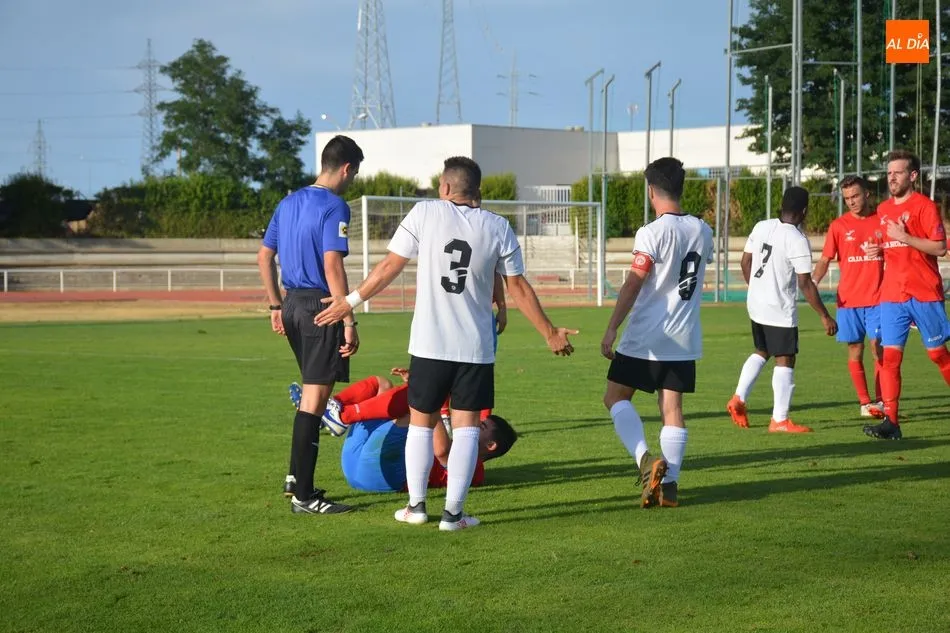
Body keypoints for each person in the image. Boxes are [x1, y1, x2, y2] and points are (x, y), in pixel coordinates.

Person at [317, 156, 576, 531]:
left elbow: (389, 266)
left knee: (421, 426)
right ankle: (453, 514)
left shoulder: (424, 213)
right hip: (475, 348)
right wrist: (550, 333)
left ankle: (416, 507)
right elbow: (517, 286)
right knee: (467, 427)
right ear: (480, 193)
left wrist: (350, 301)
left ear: (444, 188)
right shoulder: (498, 226)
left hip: (429, 344)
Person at [257, 134, 364, 515]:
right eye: (354, 174)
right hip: (321, 305)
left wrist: (275, 306)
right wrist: (347, 316)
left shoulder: (287, 202)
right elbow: (333, 265)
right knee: (316, 402)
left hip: (290, 303)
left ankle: (293, 477)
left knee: (309, 394)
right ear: (348, 168)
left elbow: (264, 256)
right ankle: (305, 497)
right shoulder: (335, 206)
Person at [601, 157, 714, 509]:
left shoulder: (652, 232)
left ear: (651, 190)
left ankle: (645, 461)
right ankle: (672, 485)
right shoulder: (703, 230)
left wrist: (612, 327)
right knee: (672, 408)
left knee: (615, 397)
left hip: (646, 335)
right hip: (684, 336)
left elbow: (635, 282)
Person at [284, 369, 516, 494]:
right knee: (381, 385)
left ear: (491, 446)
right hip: (357, 464)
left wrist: (428, 395)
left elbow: (442, 450)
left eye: (482, 426)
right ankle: (329, 409)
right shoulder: (465, 445)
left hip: (380, 475)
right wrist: (421, 392)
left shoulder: (475, 467)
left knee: (416, 410)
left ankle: (339, 415)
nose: (474, 424)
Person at [726, 186, 837, 433]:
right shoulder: (797, 240)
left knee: (761, 350)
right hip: (778, 308)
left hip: (756, 304)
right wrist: (824, 315)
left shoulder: (761, 226)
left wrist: (756, 287)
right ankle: (780, 419)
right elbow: (805, 282)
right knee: (785, 358)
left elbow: (745, 261)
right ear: (804, 211)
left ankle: (739, 398)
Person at [862, 150, 950, 440]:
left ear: (912, 176)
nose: (892, 177)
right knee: (890, 359)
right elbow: (892, 245)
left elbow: (939, 248)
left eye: (897, 172)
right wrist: (880, 249)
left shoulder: (925, 206)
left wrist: (905, 238)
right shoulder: (884, 209)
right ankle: (892, 422)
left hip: (924, 292)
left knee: (938, 355)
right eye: (889, 173)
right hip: (892, 296)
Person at [811, 176, 885, 419]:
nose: (852, 202)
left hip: (878, 298)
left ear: (867, 194)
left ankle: (882, 401)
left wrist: (883, 250)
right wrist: (812, 282)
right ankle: (865, 403)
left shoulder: (883, 222)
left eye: (855, 196)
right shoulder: (838, 226)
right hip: (848, 301)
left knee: (879, 349)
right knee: (855, 349)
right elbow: (825, 259)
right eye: (847, 199)